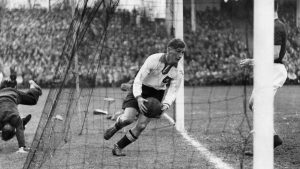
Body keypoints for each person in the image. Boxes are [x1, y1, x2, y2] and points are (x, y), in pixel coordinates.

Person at [103, 38, 185, 156]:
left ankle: (118, 147)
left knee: (141, 125)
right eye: (178, 51)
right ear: (169, 50)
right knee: (128, 119)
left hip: (156, 94)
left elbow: (173, 90)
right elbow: (138, 79)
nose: (180, 55)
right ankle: (116, 126)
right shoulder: (153, 59)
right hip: (141, 88)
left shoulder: (179, 70)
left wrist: (166, 105)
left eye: (182, 52)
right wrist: (138, 97)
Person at [240, 0, 287, 155]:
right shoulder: (272, 26)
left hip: (274, 71)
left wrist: (252, 61)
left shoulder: (276, 26)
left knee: (259, 106)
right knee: (253, 104)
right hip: (268, 70)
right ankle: (273, 137)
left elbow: (274, 54)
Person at [0, 80, 42, 153]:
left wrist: (21, 148)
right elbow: (19, 129)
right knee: (32, 100)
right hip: (12, 95)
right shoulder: (14, 119)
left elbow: (19, 129)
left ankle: (23, 122)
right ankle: (33, 88)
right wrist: (21, 148)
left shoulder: (14, 119)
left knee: (32, 100)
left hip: (10, 96)